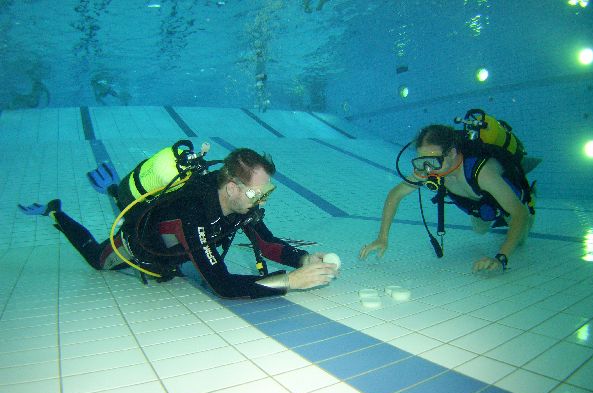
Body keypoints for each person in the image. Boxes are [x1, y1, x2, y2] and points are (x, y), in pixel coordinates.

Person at [19, 148, 338, 299]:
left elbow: (266, 243)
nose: (263, 200)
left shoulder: (242, 202)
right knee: (95, 259)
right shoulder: (193, 213)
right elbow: (222, 285)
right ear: (232, 188)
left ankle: (115, 190)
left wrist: (303, 260)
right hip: (139, 245)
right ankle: (56, 212)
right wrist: (290, 281)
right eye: (258, 193)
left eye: (267, 191)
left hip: (179, 249)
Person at [359, 124, 536, 272]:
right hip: (478, 207)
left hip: (506, 201)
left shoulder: (482, 172)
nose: (428, 169)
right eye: (422, 161)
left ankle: (531, 195)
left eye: (433, 161)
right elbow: (395, 194)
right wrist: (382, 237)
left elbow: (519, 213)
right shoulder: (430, 169)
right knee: (480, 229)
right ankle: (489, 215)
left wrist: (500, 258)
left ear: (452, 153)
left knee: (520, 238)